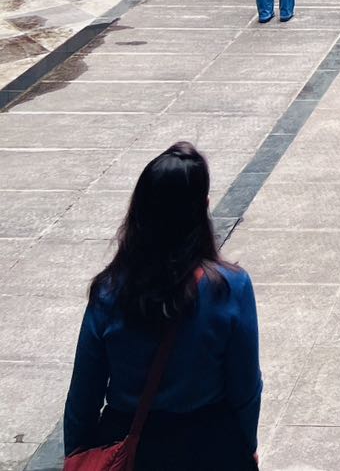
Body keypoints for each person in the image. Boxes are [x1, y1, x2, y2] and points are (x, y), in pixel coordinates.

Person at [62, 141, 260, 469]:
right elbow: (245, 387)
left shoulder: (109, 291)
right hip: (210, 445)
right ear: (202, 209)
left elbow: (84, 397)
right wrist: (245, 444)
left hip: (130, 448)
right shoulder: (230, 287)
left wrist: (78, 457)